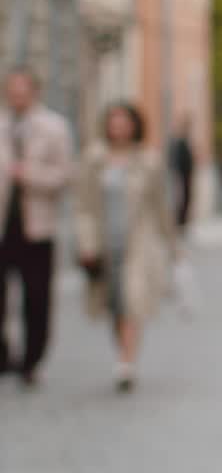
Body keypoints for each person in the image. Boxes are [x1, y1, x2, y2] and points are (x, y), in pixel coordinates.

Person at [75, 103, 178, 392]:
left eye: (123, 121)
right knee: (113, 304)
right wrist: (86, 241)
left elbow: (161, 206)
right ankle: (122, 349)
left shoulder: (149, 160)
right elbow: (83, 205)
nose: (118, 127)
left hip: (139, 242)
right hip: (104, 242)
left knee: (133, 301)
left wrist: (172, 243)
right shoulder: (93, 160)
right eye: (113, 121)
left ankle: (126, 362)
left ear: (134, 125)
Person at [0, 69, 73, 388]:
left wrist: (28, 174)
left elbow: (64, 176)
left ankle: (32, 359)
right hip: (3, 227)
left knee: (36, 297)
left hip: (36, 227)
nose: (16, 95)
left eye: (22, 89)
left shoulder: (54, 128)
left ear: (34, 92)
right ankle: (3, 357)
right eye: (11, 89)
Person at [168, 115, 196, 235]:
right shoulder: (179, 143)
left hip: (186, 176)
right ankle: (179, 224)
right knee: (180, 200)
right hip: (181, 176)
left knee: (186, 200)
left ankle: (183, 224)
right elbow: (178, 161)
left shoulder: (186, 142)